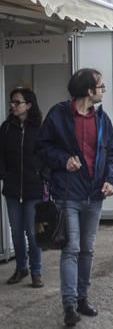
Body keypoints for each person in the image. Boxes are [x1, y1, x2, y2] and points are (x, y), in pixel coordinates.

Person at [37, 68, 113, 327]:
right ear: (88, 90)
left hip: (94, 194)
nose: (103, 89)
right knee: (71, 249)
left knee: (88, 249)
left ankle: (83, 297)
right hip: (67, 193)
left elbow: (111, 155)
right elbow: (42, 148)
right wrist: (63, 160)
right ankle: (70, 305)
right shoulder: (58, 115)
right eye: (100, 86)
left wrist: (111, 181)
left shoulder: (103, 119)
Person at [1, 88, 44, 287]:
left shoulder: (39, 128)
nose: (13, 105)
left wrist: (43, 175)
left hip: (33, 188)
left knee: (32, 232)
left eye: (17, 102)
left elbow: (46, 155)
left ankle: (36, 270)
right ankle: (21, 268)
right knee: (16, 232)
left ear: (28, 105)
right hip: (12, 188)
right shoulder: (6, 128)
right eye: (12, 102)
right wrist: (4, 175)